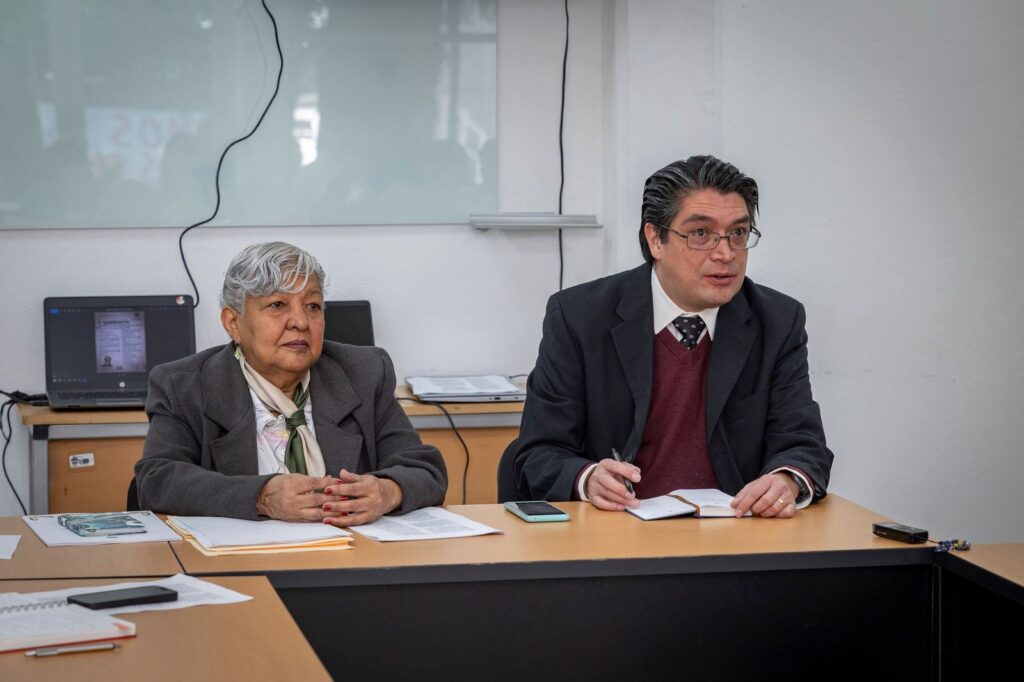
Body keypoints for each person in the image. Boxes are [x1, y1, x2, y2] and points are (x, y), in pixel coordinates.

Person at [512, 156, 832, 518]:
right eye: (701, 234)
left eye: (739, 233)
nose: (725, 253)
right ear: (655, 240)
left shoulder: (777, 321)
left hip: (734, 533)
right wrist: (587, 478)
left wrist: (787, 479)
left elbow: (804, 444)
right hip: (616, 530)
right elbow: (538, 454)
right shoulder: (580, 317)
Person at [135, 242, 447, 523]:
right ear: (233, 323)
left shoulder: (364, 373)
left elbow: (424, 469)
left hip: (349, 556)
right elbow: (157, 480)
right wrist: (261, 497)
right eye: (277, 305)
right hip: (240, 560)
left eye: (312, 306)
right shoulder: (184, 386)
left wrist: (387, 491)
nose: (300, 321)